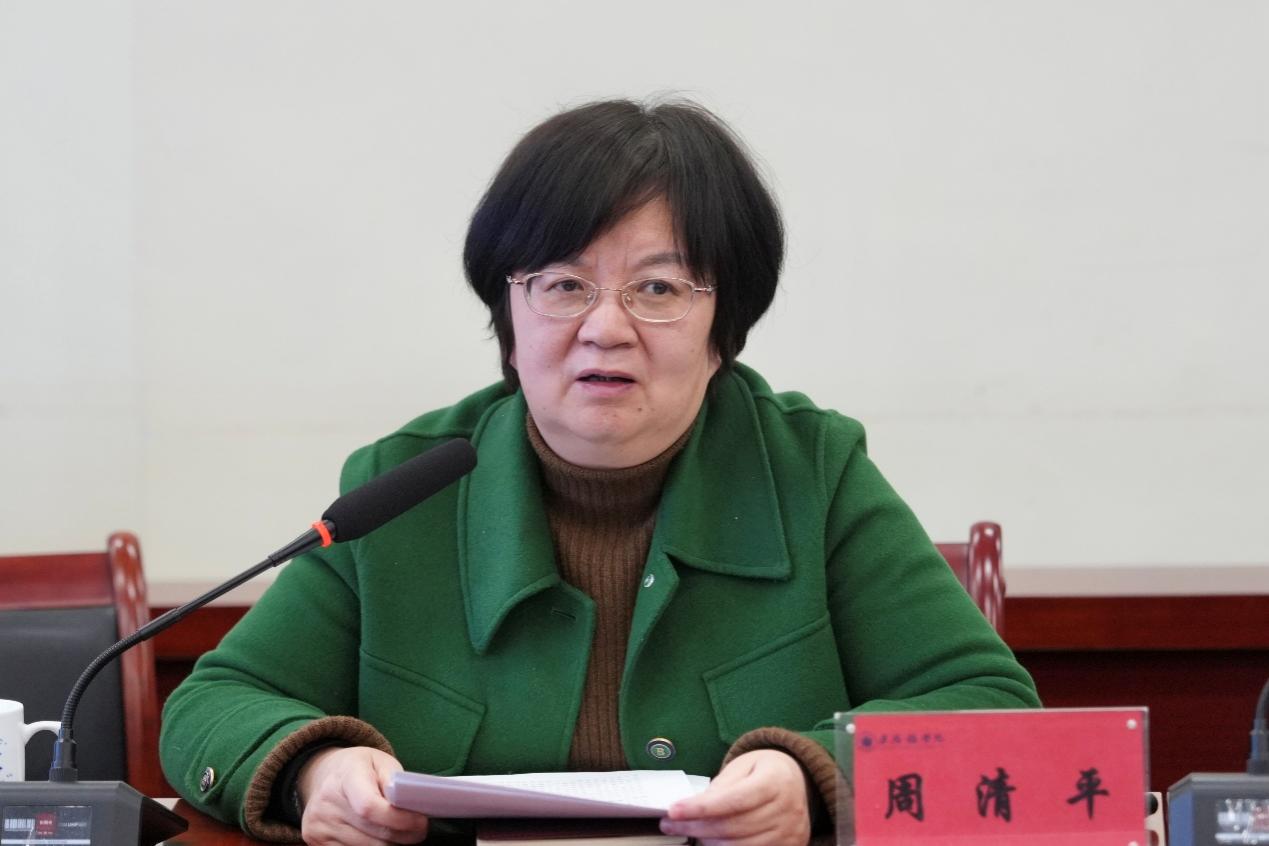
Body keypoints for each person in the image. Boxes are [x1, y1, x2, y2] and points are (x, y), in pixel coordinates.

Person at [159, 98, 1039, 845]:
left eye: (658, 289)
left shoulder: (811, 471)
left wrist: (814, 776)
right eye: (563, 284)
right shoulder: (407, 486)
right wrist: (316, 768)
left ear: (723, 325)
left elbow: (989, 707)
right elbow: (219, 701)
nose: (605, 328)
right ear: (508, 314)